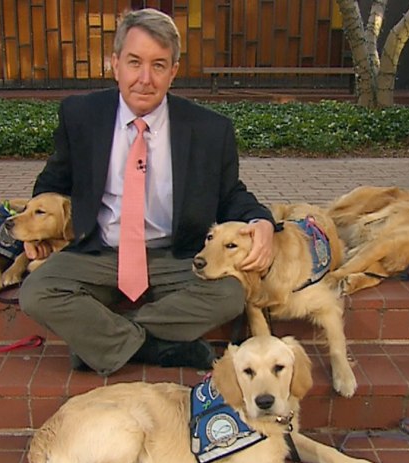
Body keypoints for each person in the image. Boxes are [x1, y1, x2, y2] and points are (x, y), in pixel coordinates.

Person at [19, 8, 275, 375]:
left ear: (173, 71)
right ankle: (156, 348)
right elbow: (53, 184)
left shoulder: (209, 129)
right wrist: (37, 231)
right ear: (115, 64)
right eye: (134, 62)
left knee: (230, 295)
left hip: (177, 255)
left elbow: (230, 194)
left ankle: (103, 342)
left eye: (158, 65)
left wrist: (260, 220)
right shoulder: (81, 115)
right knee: (37, 292)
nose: (144, 79)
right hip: (99, 251)